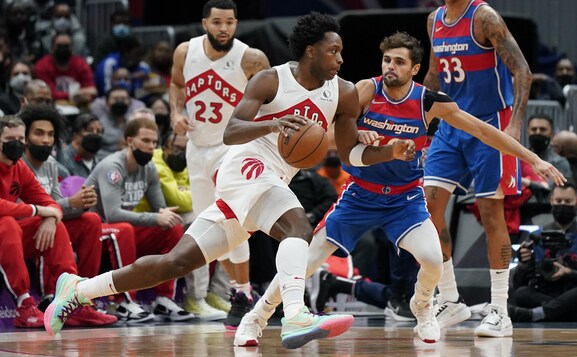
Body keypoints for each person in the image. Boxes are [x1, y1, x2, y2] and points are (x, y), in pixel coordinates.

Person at [45, 12, 385, 349]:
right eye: (333, 51)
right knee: (297, 227)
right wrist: (273, 124)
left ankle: (78, 290)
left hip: (270, 180)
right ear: (310, 51)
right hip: (244, 167)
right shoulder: (271, 80)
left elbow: (348, 153)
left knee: (175, 263)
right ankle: (295, 314)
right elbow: (232, 131)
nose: (340, 58)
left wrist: (386, 150)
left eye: (341, 52)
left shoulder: (344, 93)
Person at [233, 31, 564, 346]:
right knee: (306, 261)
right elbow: (331, 129)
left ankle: (422, 306)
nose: (390, 66)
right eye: (387, 60)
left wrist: (532, 158)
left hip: (405, 200)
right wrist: (354, 132)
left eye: (399, 62)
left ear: (415, 69)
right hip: (360, 195)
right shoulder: (365, 90)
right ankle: (256, 318)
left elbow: (483, 131)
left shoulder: (430, 102)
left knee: (433, 260)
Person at [422, 0, 533, 337]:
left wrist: (514, 126)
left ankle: (500, 310)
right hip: (451, 123)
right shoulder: (434, 20)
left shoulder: (484, 17)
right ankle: (452, 299)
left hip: (491, 123)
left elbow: (522, 72)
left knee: (490, 212)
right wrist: (417, 124)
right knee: (428, 207)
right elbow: (433, 75)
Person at [169, 0, 270, 326]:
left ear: (236, 24)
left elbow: (272, 99)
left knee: (230, 223)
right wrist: (175, 113)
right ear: (204, 23)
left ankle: (242, 290)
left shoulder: (250, 57)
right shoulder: (185, 52)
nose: (223, 28)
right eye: (217, 22)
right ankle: (241, 292)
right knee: (207, 226)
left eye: (229, 22)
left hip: (233, 149)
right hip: (197, 149)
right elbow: (176, 84)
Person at [0, 115, 116, 329]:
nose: (16, 143)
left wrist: (50, 217)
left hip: (14, 233)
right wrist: (37, 210)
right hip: (6, 231)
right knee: (7, 223)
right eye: (9, 138)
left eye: (20, 138)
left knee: (63, 224)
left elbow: (49, 203)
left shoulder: (22, 167)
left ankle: (74, 300)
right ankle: (24, 305)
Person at [81, 117, 194, 323]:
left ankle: (164, 299)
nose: (151, 147)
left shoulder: (149, 168)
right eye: (145, 141)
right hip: (95, 229)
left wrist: (163, 215)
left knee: (173, 227)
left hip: (124, 230)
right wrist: (155, 217)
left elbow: (160, 209)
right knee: (123, 228)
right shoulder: (113, 167)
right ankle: (125, 302)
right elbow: (112, 214)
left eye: (154, 142)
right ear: (129, 140)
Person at [18, 104, 106, 307]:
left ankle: (86, 297)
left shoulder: (50, 164)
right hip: (20, 230)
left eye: (50, 134)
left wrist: (80, 203)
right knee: (55, 226)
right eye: (39, 133)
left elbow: (55, 204)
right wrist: (63, 207)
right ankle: (64, 298)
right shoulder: (18, 163)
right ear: (25, 137)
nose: (46, 139)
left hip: (47, 224)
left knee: (91, 220)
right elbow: (23, 211)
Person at [508, 182, 577, 322]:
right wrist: (523, 265)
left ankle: (536, 314)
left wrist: (568, 272)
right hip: (547, 292)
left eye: (567, 201)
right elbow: (519, 284)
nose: (562, 205)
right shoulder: (536, 237)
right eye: (559, 201)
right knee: (521, 294)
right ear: (552, 201)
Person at [34, 33, 97, 106]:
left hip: (79, 105)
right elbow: (48, 94)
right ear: (52, 48)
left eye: (66, 46)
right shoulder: (42, 66)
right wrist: (75, 94)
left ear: (72, 48)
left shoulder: (81, 64)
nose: (63, 49)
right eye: (59, 46)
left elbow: (92, 91)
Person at [57, 113, 104, 178]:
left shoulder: (100, 163)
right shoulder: (62, 158)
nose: (95, 134)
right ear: (76, 136)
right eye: (89, 130)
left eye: (99, 132)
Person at [527, 114, 572, 180]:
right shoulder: (520, 159)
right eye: (534, 129)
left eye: (543, 129)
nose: (538, 132)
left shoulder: (559, 162)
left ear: (552, 134)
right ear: (528, 132)